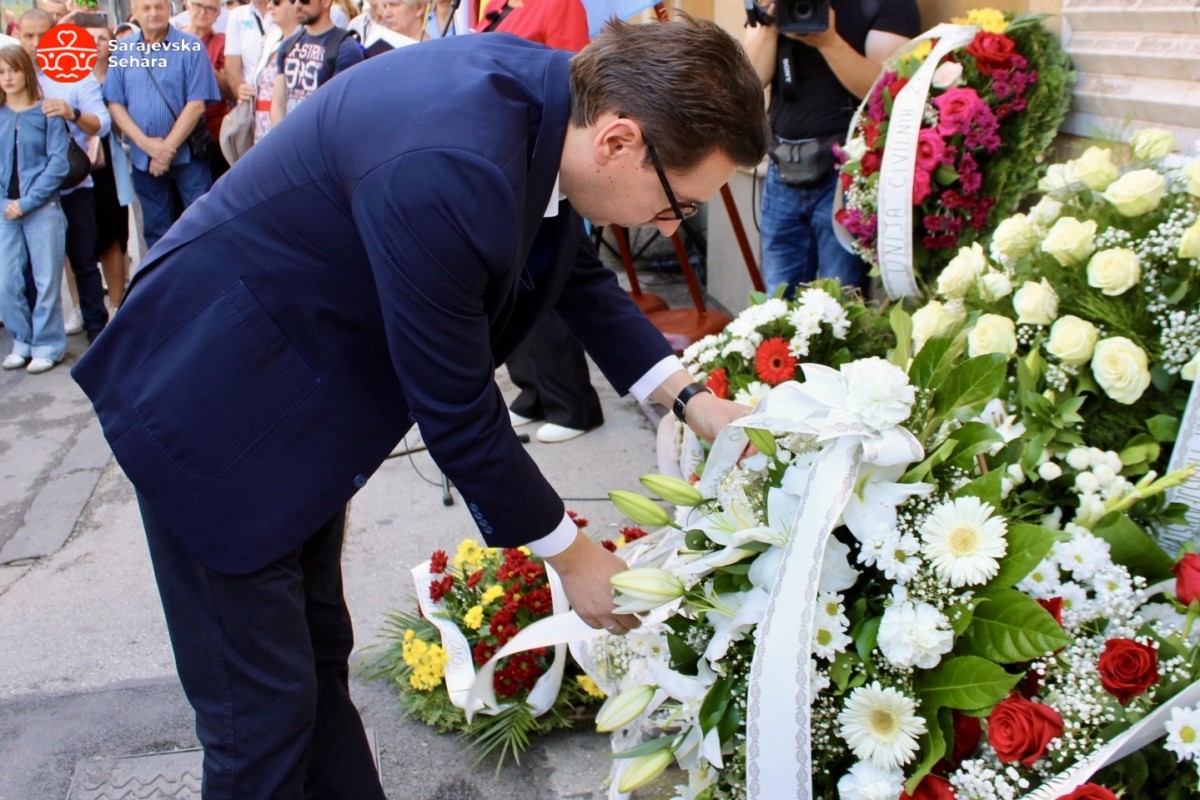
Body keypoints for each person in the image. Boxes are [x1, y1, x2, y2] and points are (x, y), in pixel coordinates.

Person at [72, 17, 768, 799]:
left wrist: (690, 399)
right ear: (618, 141)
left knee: (314, 661)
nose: (670, 226)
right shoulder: (453, 161)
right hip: (213, 402)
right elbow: (457, 408)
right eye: (678, 206)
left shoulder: (555, 102)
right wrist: (575, 561)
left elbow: (569, 271)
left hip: (298, 396)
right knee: (259, 716)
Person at [743, 0, 919, 296]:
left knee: (842, 299)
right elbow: (750, 80)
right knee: (778, 300)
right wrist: (771, 25)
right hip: (783, 169)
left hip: (845, 177)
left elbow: (882, 89)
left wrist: (829, 42)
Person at [481, 0, 596, 443]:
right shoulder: (492, 7)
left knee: (548, 285)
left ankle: (571, 403)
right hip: (506, 166)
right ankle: (532, 391)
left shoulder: (558, 4)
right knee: (509, 287)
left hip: (545, 165)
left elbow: (575, 84)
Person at [20, 8, 112, 344]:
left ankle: (97, 331)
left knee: (84, 262)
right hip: (28, 193)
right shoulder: (10, 77)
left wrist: (72, 112)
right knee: (31, 269)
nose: (34, 43)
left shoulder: (74, 75)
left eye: (41, 35)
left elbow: (102, 123)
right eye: (28, 36)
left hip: (73, 187)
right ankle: (37, 339)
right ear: (18, 37)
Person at [102, 0, 219, 250]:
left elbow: (196, 105)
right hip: (144, 159)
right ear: (134, 13)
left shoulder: (191, 47)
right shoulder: (122, 51)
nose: (153, 13)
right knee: (156, 232)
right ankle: (164, 276)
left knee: (202, 226)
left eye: (159, 6)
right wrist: (147, 145)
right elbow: (114, 103)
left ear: (170, 9)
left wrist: (165, 150)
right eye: (146, 8)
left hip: (188, 157)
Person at [0, 45, 69, 374]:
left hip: (42, 208)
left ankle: (48, 344)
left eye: (13, 70)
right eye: (1, 72)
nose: (8, 77)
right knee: (6, 280)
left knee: (47, 280)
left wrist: (27, 202)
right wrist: (5, 204)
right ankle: (22, 340)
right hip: (5, 211)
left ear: (26, 71)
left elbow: (58, 164)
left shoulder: (47, 112)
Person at [269, 0, 362, 127]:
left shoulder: (346, 49)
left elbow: (340, 111)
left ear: (325, 2)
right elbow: (278, 102)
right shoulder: (288, 45)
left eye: (304, 0)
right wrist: (280, 137)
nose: (297, 5)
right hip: (290, 135)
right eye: (292, 0)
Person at [184, 0, 235, 181]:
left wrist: (203, 60)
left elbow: (229, 92)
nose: (203, 12)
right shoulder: (173, 39)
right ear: (188, 6)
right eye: (198, 5)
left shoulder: (222, 42)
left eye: (210, 8)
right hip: (175, 131)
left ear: (218, 14)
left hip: (211, 132)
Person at [251, 0, 297, 140]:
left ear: (295, 4)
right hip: (260, 124)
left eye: (277, 2)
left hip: (289, 126)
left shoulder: (307, 40)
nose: (269, 5)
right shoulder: (271, 38)